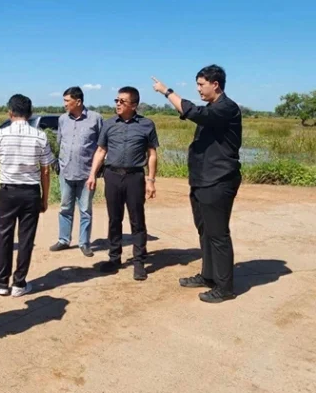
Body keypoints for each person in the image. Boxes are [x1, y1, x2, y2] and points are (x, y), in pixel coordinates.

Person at [152, 65, 242, 303]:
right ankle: (209, 275)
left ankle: (225, 287)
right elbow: (195, 113)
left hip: (219, 179)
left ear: (216, 84)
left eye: (201, 85)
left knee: (218, 234)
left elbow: (194, 113)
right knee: (205, 231)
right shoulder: (213, 108)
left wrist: (166, 91)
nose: (198, 89)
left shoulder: (227, 108)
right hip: (202, 180)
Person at [0, 94, 55, 297]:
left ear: (10, 112)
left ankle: (1, 283)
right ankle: (19, 283)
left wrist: (1, 158)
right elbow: (46, 170)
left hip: (8, 191)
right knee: (26, 238)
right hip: (31, 192)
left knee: (4, 236)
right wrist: (44, 198)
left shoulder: (0, 134)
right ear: (30, 113)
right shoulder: (40, 136)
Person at [87, 87, 159, 281]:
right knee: (114, 218)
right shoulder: (109, 124)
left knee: (137, 220)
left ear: (133, 105)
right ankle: (114, 258)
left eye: (122, 101)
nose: (118, 104)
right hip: (112, 175)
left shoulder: (147, 125)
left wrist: (151, 180)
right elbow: (101, 151)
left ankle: (139, 261)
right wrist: (92, 175)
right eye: (116, 100)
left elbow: (152, 154)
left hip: (134, 177)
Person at [49, 86, 103, 257]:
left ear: (78, 101)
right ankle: (63, 240)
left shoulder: (95, 119)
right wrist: (58, 162)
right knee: (65, 207)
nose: (64, 104)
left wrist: (97, 169)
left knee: (85, 209)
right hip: (66, 171)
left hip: (87, 173)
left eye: (67, 101)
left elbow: (102, 146)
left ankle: (84, 243)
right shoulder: (62, 119)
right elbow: (60, 143)